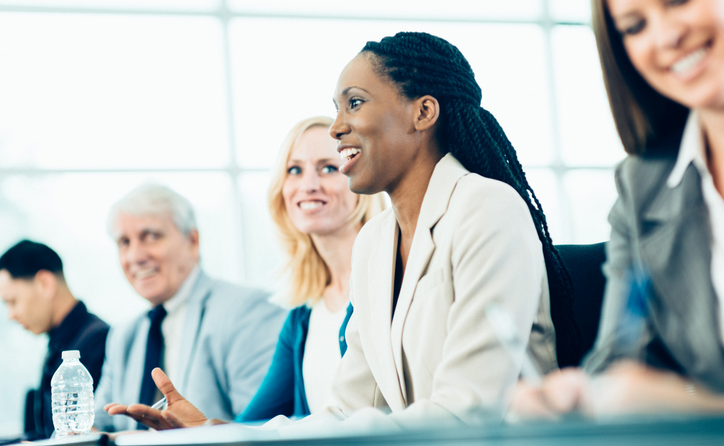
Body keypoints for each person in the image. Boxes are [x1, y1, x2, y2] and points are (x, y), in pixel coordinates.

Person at [105, 32, 578, 429]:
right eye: (336, 108)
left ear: (423, 112)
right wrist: (213, 434)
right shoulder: (375, 243)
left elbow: (469, 407)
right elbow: (347, 409)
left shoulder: (486, 208)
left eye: (354, 103)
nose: (336, 127)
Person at [509, 0, 724, 418]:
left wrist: (694, 407)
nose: (665, 37)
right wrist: (578, 398)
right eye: (634, 26)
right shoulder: (641, 187)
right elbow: (622, 357)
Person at [95, 184, 287, 431]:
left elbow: (263, 428)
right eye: (124, 242)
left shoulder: (247, 311)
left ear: (192, 241)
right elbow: (98, 426)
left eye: (151, 236)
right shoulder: (123, 336)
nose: (135, 256)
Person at [237, 116, 386, 421]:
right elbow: (252, 425)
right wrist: (189, 429)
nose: (308, 185)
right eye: (294, 170)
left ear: (361, 181)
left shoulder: (390, 283)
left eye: (328, 168)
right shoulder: (302, 315)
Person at [0, 240, 109, 440]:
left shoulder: (97, 342)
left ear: (45, 284)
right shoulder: (62, 344)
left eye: (12, 302)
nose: (10, 315)